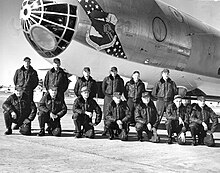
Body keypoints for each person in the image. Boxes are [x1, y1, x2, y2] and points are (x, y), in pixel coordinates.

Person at [152, 68, 178, 138]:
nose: (166, 75)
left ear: (169, 74)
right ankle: (154, 130)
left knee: (170, 116)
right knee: (158, 116)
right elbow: (154, 93)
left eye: (167, 73)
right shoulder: (158, 83)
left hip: (169, 101)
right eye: (164, 73)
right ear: (162, 74)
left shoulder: (172, 83)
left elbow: (175, 92)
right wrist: (159, 98)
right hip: (161, 101)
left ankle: (171, 132)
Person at [102, 67, 124, 136]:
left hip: (116, 97)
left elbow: (122, 88)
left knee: (116, 112)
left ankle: (116, 129)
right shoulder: (106, 79)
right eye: (112, 71)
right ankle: (106, 129)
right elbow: (103, 88)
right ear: (110, 72)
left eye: (114, 71)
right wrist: (107, 95)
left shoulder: (120, 80)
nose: (113, 73)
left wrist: (118, 96)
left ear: (117, 72)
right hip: (108, 97)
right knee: (106, 113)